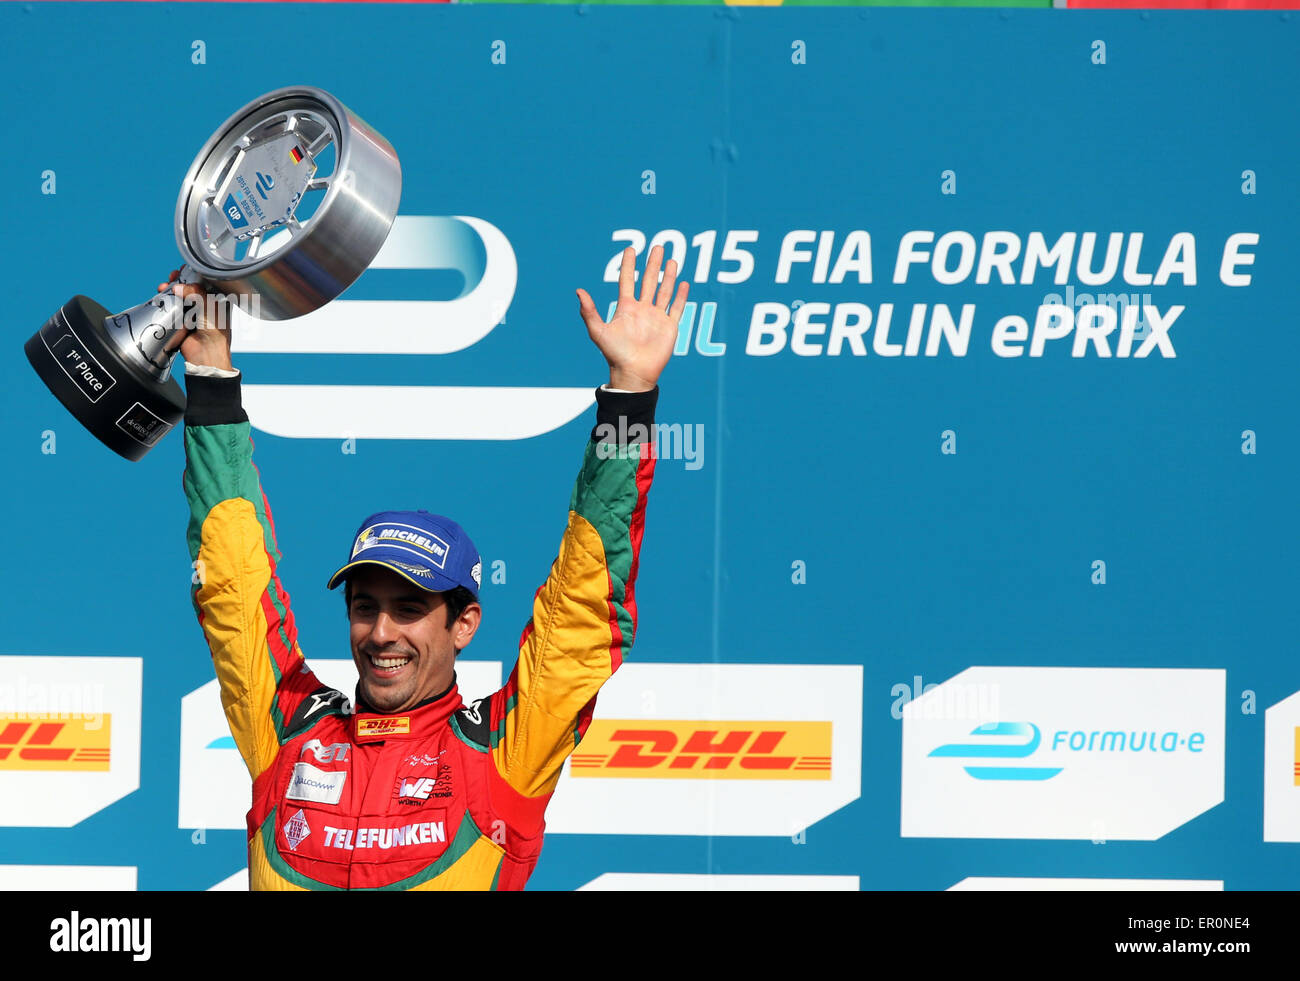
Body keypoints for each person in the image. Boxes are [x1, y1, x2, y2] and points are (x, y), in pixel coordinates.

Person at [172, 245, 688, 890]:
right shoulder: (286, 728)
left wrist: (630, 397)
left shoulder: (500, 751)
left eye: (410, 608)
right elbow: (232, 584)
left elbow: (583, 613)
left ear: (464, 623)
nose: (382, 632)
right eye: (365, 606)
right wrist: (212, 380)